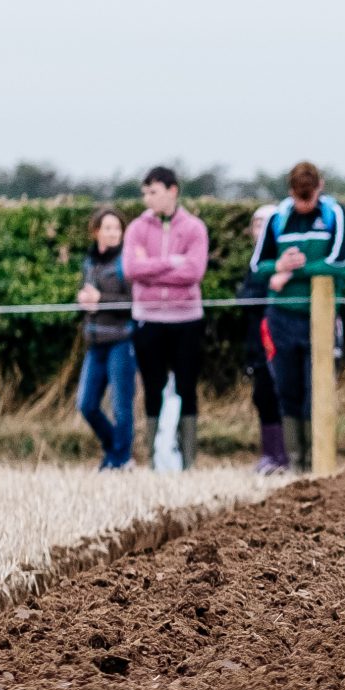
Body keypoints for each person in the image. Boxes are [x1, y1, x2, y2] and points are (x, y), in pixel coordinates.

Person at [248, 161, 345, 467]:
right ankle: (295, 461)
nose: (304, 204)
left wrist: (293, 271)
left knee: (315, 389)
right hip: (281, 317)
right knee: (287, 389)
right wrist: (278, 267)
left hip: (319, 317)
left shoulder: (335, 215)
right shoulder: (278, 218)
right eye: (299, 197)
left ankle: (316, 460)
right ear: (291, 192)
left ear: (319, 188)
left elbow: (338, 263)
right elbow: (258, 266)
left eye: (309, 197)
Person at [122, 165, 209, 470]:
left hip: (186, 319)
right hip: (148, 318)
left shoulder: (195, 228)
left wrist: (153, 268)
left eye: (153, 192)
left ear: (172, 191)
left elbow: (194, 272)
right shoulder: (136, 228)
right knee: (152, 385)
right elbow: (132, 270)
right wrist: (172, 262)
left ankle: (187, 460)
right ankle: (155, 459)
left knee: (186, 386)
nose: (147, 199)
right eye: (144, 193)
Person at [75, 206, 137, 469]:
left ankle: (120, 460)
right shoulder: (89, 263)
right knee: (87, 405)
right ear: (96, 231)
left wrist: (102, 300)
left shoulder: (127, 262)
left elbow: (134, 302)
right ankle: (115, 449)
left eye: (117, 229)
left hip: (121, 340)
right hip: (95, 342)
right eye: (107, 228)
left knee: (121, 407)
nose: (113, 233)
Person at [237, 201, 286, 472]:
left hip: (278, 338)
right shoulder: (254, 264)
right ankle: (271, 454)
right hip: (256, 341)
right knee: (262, 395)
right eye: (256, 224)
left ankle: (286, 454)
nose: (260, 229)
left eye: (266, 223)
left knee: (282, 394)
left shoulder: (279, 260)